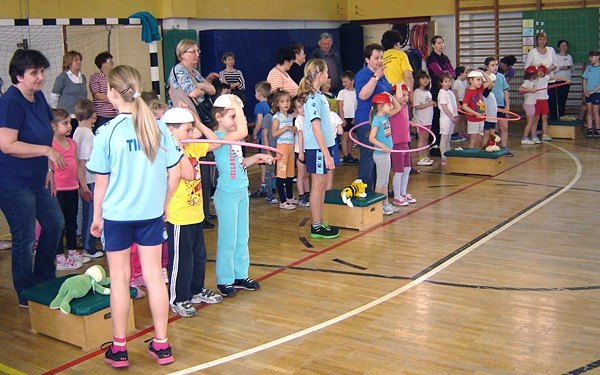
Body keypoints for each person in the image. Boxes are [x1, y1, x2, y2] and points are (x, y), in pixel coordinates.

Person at [87, 65, 182, 368]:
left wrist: (96, 217)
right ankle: (162, 345)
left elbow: (100, 182)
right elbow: (175, 172)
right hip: (150, 215)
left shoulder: (106, 132)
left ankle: (119, 349)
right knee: (155, 278)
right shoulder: (158, 127)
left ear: (113, 94)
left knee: (119, 280)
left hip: (117, 217)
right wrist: (164, 205)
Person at [0, 49, 66, 308]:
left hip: (38, 178)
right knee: (25, 237)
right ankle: (25, 291)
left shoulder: (38, 98)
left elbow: (44, 134)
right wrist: (47, 152)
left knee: (54, 224)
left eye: (41, 72)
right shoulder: (10, 102)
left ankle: (43, 280)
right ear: (18, 76)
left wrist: (49, 168)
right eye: (34, 73)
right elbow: (7, 144)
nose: (40, 78)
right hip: (13, 182)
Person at [161, 107, 223, 317]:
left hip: (195, 212)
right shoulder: (168, 152)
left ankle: (196, 290)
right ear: (171, 131)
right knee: (181, 258)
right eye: (187, 130)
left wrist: (198, 122)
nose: (191, 134)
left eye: (191, 130)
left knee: (199, 255)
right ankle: (178, 298)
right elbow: (187, 175)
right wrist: (177, 145)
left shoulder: (191, 147)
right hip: (179, 214)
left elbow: (216, 142)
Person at [210, 94, 273, 297]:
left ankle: (239, 275)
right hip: (227, 193)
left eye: (237, 116)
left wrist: (257, 156)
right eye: (232, 116)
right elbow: (243, 131)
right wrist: (238, 105)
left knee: (241, 236)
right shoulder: (219, 138)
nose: (236, 121)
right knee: (228, 239)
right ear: (218, 117)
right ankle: (224, 279)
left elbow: (239, 163)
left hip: (241, 190)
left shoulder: (233, 139)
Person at [297, 59, 340, 239]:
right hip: (317, 149)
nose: (329, 75)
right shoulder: (313, 98)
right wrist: (325, 153)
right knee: (318, 185)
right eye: (327, 72)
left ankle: (319, 221)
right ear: (320, 74)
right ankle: (316, 226)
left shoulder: (320, 96)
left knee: (321, 185)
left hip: (324, 147)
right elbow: (316, 128)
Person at [51, 107, 92, 271]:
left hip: (72, 188)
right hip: (58, 190)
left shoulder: (72, 144)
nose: (70, 126)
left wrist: (83, 186)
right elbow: (49, 168)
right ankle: (60, 257)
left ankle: (73, 251)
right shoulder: (50, 145)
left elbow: (77, 168)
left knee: (71, 222)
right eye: (65, 123)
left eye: (70, 122)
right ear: (54, 126)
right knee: (59, 223)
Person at [355, 44, 391, 192]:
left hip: (382, 120)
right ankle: (365, 191)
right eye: (376, 58)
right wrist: (375, 77)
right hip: (366, 121)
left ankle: (380, 190)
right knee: (369, 156)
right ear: (367, 59)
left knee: (381, 155)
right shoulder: (362, 75)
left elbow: (388, 90)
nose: (379, 61)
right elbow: (363, 95)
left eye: (381, 57)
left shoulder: (382, 74)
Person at [72, 99, 102, 259]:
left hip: (84, 179)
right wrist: (83, 183)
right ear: (94, 116)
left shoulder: (77, 131)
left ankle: (87, 243)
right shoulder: (89, 135)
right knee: (91, 213)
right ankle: (89, 247)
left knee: (86, 212)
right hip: (89, 180)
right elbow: (83, 160)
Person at [368, 92, 401, 216]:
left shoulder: (385, 117)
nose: (391, 107)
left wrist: (390, 96)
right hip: (380, 154)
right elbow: (371, 138)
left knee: (385, 181)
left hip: (386, 153)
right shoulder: (377, 120)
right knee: (380, 182)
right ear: (381, 106)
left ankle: (385, 203)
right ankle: (379, 205)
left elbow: (398, 108)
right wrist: (382, 146)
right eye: (388, 105)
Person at [168, 39, 217, 119]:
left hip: (196, 116)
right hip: (184, 117)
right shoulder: (179, 70)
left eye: (198, 51)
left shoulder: (194, 72)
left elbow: (212, 90)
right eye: (193, 52)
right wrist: (204, 88)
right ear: (182, 54)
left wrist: (199, 85)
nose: (197, 54)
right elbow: (193, 93)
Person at [426, 35, 455, 156]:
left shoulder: (445, 57)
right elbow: (439, 73)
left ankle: (445, 144)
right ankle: (435, 144)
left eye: (442, 42)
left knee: (448, 114)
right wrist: (446, 75)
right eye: (438, 43)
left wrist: (447, 75)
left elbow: (452, 72)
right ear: (433, 45)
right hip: (437, 89)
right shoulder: (431, 58)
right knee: (437, 116)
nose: (441, 45)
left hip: (447, 88)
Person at [390, 84, 417, 206]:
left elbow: (402, 121)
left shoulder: (405, 108)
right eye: (403, 95)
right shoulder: (393, 108)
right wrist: (400, 83)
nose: (406, 98)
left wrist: (410, 123)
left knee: (407, 169)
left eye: (407, 95)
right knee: (399, 170)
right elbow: (397, 100)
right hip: (397, 144)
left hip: (405, 142)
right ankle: (396, 196)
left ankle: (403, 193)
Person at [50, 50, 88, 134]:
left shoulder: (83, 77)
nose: (79, 62)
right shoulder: (62, 77)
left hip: (80, 115)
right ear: (69, 62)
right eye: (76, 60)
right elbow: (54, 96)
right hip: (68, 116)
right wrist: (56, 113)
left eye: (80, 60)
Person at [271, 90, 298, 210]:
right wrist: (286, 128)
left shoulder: (290, 116)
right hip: (282, 147)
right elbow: (274, 133)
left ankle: (290, 197)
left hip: (291, 147)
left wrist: (293, 128)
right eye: (282, 101)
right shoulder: (277, 117)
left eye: (287, 101)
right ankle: (282, 201)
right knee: (281, 174)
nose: (286, 104)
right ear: (277, 104)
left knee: (290, 173)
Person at [484, 57, 513, 156]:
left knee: (504, 127)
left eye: (496, 65)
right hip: (489, 106)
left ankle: (504, 147)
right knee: (491, 129)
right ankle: (490, 146)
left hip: (500, 105)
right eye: (492, 65)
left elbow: (505, 91)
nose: (495, 67)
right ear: (486, 67)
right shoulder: (484, 78)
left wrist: (507, 106)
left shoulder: (501, 76)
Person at [250, 81, 271, 198]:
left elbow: (259, 122)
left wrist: (254, 133)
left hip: (263, 137)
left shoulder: (259, 106)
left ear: (259, 93)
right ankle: (271, 185)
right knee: (270, 160)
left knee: (262, 163)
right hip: (271, 137)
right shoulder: (270, 104)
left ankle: (263, 187)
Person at [462, 70, 493, 149]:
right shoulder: (469, 93)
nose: (480, 82)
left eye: (481, 80)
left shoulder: (479, 89)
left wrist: (482, 72)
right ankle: (470, 157)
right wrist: (475, 113)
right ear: (471, 80)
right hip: (473, 120)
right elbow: (464, 106)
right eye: (478, 80)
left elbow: (489, 81)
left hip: (481, 119)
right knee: (473, 140)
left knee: (479, 139)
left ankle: (475, 156)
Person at [413, 70, 436, 166]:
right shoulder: (417, 92)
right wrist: (430, 103)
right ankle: (420, 157)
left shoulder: (427, 92)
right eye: (422, 78)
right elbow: (417, 106)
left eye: (426, 78)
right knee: (421, 139)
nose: (425, 80)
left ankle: (425, 156)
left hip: (428, 119)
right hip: (421, 120)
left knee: (426, 138)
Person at [89, 51, 117, 130]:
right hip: (102, 116)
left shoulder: (115, 76)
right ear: (102, 64)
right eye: (109, 61)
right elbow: (97, 95)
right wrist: (115, 99)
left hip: (116, 114)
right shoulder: (95, 77)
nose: (112, 63)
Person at [260, 94, 279, 204]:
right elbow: (265, 135)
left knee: (277, 171)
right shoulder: (268, 118)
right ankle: (269, 194)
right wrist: (268, 151)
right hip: (269, 150)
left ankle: (276, 189)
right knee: (269, 171)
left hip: (278, 149)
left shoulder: (279, 117)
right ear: (273, 104)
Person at [437, 73, 459, 165]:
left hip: (452, 118)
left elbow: (453, 105)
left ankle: (448, 154)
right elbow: (445, 108)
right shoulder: (442, 93)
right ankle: (443, 156)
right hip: (446, 119)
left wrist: (456, 116)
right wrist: (452, 117)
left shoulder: (450, 92)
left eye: (449, 81)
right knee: (444, 137)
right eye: (445, 81)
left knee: (448, 137)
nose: (448, 83)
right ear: (441, 83)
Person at [337, 70, 358, 165]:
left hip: (353, 117)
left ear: (352, 81)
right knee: (345, 137)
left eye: (346, 81)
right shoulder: (342, 93)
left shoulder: (356, 92)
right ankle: (345, 155)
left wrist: (356, 118)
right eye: (343, 82)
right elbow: (340, 106)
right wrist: (342, 118)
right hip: (345, 117)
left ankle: (349, 154)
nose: (344, 84)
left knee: (351, 137)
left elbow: (357, 106)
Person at [293, 96, 310, 207]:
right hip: (301, 151)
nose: (302, 108)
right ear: (295, 110)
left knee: (306, 175)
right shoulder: (299, 119)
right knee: (301, 174)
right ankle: (301, 196)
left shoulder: (309, 118)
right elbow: (300, 136)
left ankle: (307, 193)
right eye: (299, 107)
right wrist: (301, 153)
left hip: (308, 150)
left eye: (303, 105)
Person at [551, 40, 574, 121]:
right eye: (562, 45)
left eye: (565, 45)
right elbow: (553, 69)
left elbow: (572, 67)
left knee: (564, 99)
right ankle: (555, 117)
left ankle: (562, 116)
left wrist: (568, 67)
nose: (564, 47)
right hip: (558, 81)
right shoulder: (556, 57)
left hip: (567, 81)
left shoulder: (569, 57)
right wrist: (561, 68)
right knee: (557, 100)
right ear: (558, 47)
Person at [519, 65, 540, 144]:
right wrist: (530, 90)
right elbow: (520, 89)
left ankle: (533, 136)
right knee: (530, 122)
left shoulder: (533, 82)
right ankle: (524, 138)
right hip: (529, 105)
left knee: (534, 121)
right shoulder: (527, 82)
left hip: (532, 104)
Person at [583, 50, 600, 138]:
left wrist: (593, 91)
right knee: (589, 111)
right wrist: (585, 91)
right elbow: (584, 80)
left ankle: (597, 129)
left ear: (597, 57)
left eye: (592, 57)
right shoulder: (589, 68)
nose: (590, 59)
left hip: (596, 93)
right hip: (588, 93)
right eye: (590, 57)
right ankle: (589, 129)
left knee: (595, 111)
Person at [451, 66, 469, 142]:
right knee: (458, 118)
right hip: (458, 101)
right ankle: (454, 133)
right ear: (461, 73)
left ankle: (461, 131)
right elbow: (455, 93)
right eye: (465, 72)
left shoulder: (462, 82)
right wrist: (458, 103)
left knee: (461, 118)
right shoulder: (456, 82)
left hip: (462, 101)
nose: (466, 74)